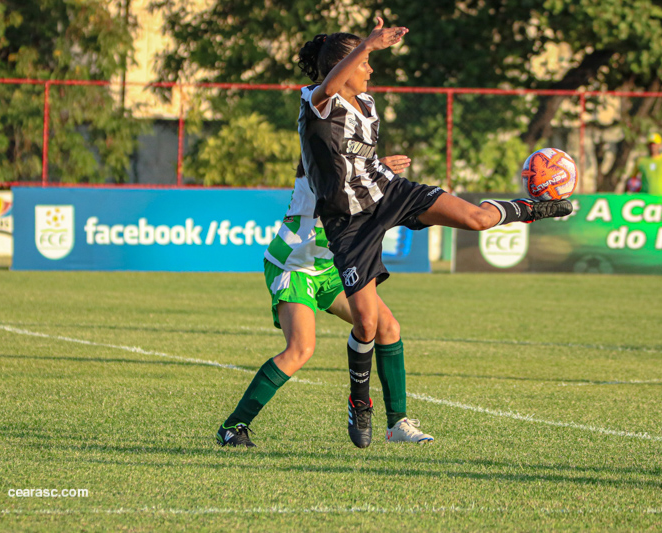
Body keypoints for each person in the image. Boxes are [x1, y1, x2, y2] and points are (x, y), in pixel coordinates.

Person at [296, 17, 573, 448]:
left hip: (389, 193)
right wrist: (366, 42)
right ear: (344, 64)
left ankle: (540, 208)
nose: (370, 68)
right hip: (349, 222)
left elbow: (352, 161)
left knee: (477, 219)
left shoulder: (367, 104)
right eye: (366, 60)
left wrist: (382, 166)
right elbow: (328, 90)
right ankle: (359, 401)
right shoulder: (317, 103)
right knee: (367, 323)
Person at [216, 157, 434, 448]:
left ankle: (397, 423)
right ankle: (233, 426)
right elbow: (336, 183)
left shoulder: (357, 161)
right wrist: (377, 169)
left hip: (328, 267)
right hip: (293, 265)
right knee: (301, 349)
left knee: (387, 327)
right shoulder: (316, 157)